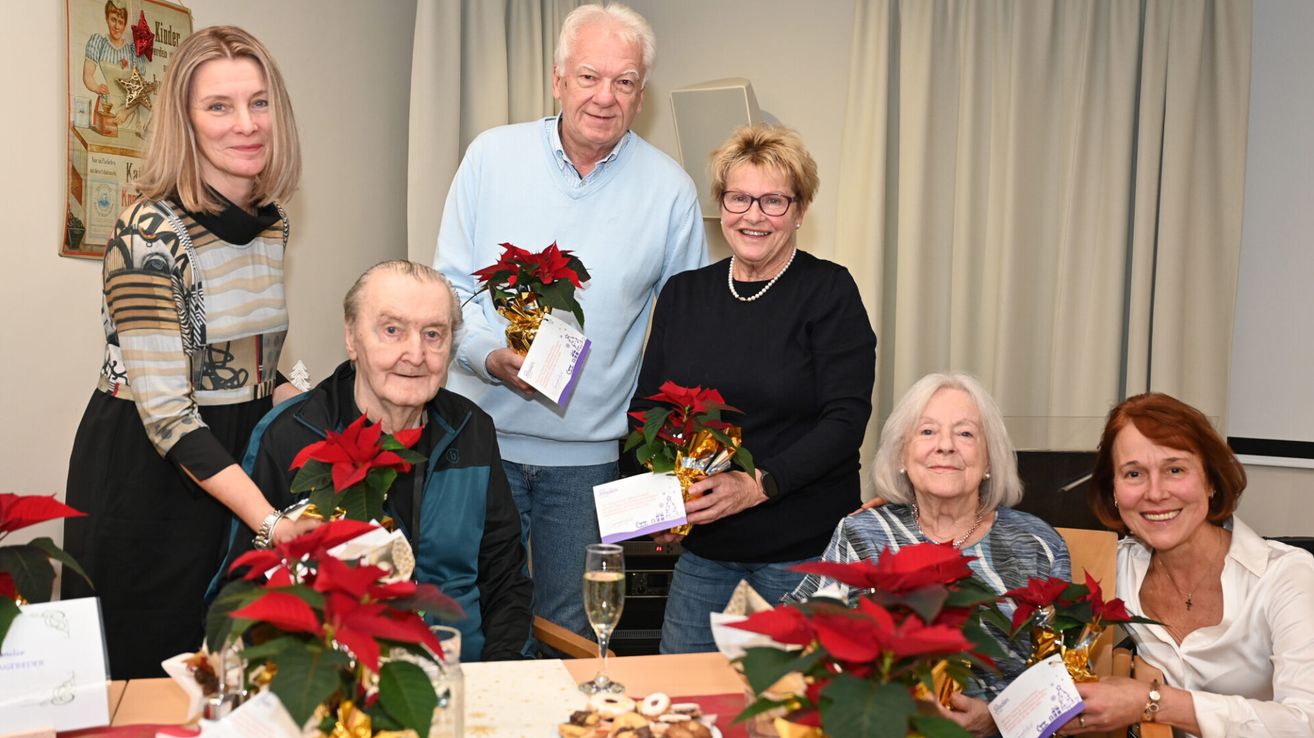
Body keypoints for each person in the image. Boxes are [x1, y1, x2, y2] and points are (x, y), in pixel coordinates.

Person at [433, 2, 707, 640]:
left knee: (572, 629)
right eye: (589, 76)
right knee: (467, 616)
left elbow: (683, 333)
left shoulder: (671, 192)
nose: (604, 97)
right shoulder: (489, 157)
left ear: (642, 94)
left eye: (624, 81)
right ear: (557, 79)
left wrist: (668, 461)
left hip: (588, 461)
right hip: (479, 438)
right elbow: (448, 287)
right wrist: (486, 356)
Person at [61, 26, 315, 679]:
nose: (246, 124)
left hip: (229, 469)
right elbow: (171, 413)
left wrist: (326, 417)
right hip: (149, 483)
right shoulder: (147, 235)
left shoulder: (269, 224)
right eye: (219, 107)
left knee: (233, 680)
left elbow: (208, 350)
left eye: (259, 103)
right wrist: (271, 522)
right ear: (186, 121)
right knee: (146, 683)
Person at [629, 124, 877, 654]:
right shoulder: (684, 294)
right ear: (721, 205)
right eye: (739, 198)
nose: (754, 215)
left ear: (800, 210)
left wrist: (757, 484)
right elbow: (648, 410)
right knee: (682, 705)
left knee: (794, 715)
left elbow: (845, 421)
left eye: (773, 200)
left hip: (800, 553)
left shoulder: (829, 291)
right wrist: (663, 502)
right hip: (704, 552)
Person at [239, 261, 533, 662]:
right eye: (392, 330)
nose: (415, 355)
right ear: (351, 338)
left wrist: (503, 681)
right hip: (337, 686)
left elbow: (506, 582)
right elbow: (242, 587)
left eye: (434, 334)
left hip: (464, 678)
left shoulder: (472, 429)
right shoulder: (290, 435)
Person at [787, 372, 1071, 737]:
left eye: (965, 433)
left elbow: (1065, 676)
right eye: (927, 431)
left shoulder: (1037, 544)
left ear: (989, 459)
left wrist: (996, 719)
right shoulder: (864, 533)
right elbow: (797, 629)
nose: (946, 446)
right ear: (902, 454)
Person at [1062, 393, 1314, 737]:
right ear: (1114, 492)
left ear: (1210, 480)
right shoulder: (1111, 568)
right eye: (1134, 473)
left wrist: (1152, 702)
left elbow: (1304, 722)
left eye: (1175, 469)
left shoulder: (1288, 576)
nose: (1155, 493)